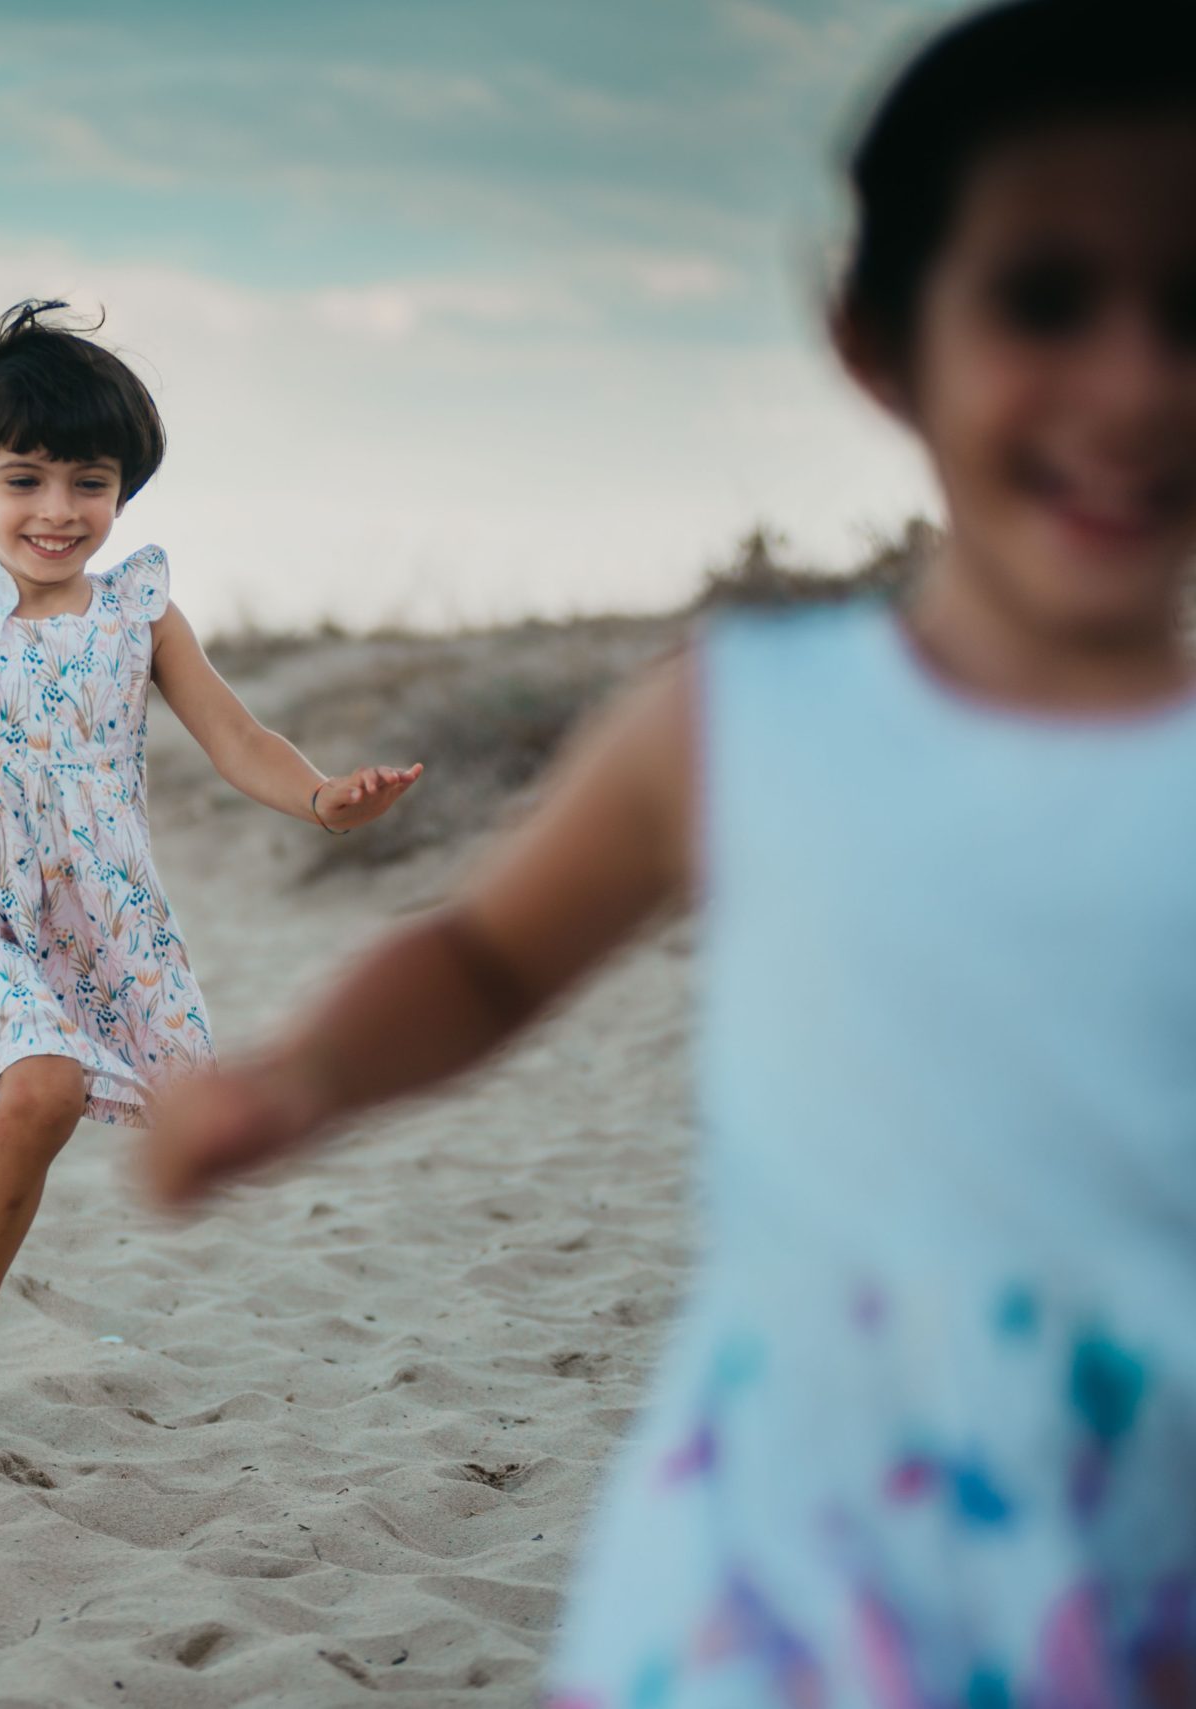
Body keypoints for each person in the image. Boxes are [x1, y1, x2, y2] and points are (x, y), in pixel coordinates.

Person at [141, 3, 1196, 1698]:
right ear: (878, 338)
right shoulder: (746, 723)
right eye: (1045, 299)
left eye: (1190, 308)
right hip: (765, 1606)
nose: (1136, 384)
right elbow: (487, 957)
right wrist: (306, 1073)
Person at [0, 301, 421, 1449]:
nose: (57, 511)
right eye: (25, 480)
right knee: (42, 1085)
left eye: (87, 483)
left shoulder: (140, 616)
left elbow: (236, 734)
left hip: (86, 918)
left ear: (122, 491)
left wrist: (317, 795)